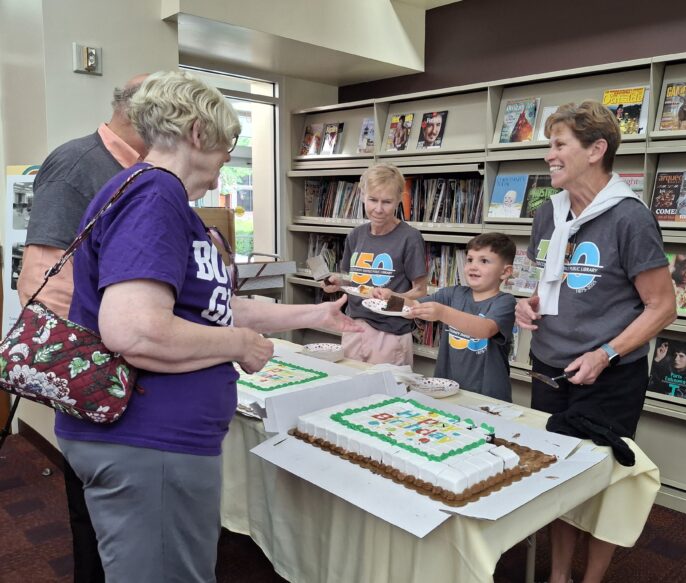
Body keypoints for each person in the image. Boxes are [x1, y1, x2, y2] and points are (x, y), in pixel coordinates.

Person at [54, 70, 361, 583]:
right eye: (227, 145)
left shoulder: (149, 193)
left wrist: (315, 316)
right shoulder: (155, 196)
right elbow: (135, 331)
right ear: (197, 133)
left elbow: (210, 307)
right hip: (149, 442)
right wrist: (239, 345)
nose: (224, 164)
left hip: (156, 442)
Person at [514, 100, 677, 583]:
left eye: (560, 144)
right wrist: (529, 303)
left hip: (609, 377)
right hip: (550, 367)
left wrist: (606, 353)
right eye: (550, 144)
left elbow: (662, 306)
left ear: (596, 149)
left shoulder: (630, 218)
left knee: (605, 481)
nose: (549, 155)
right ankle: (559, 576)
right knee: (558, 476)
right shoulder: (549, 213)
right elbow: (546, 282)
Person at [17, 73, 149, 583]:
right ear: (145, 115)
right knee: (95, 514)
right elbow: (41, 284)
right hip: (96, 373)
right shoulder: (78, 164)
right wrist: (117, 338)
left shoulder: (140, 172)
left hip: (127, 367)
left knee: (121, 514)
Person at [323, 163, 427, 365]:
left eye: (387, 202)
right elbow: (356, 283)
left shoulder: (409, 238)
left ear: (398, 200)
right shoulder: (356, 235)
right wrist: (338, 283)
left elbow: (421, 291)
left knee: (387, 394)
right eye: (372, 200)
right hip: (354, 326)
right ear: (362, 195)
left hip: (390, 333)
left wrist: (393, 297)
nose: (378, 209)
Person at [401, 233, 516, 401]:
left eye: (484, 261)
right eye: (470, 260)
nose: (473, 266)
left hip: (488, 397)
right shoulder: (452, 293)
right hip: (447, 389)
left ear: (505, 272)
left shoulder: (505, 302)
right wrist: (390, 297)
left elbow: (485, 329)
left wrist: (442, 312)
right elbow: (413, 305)